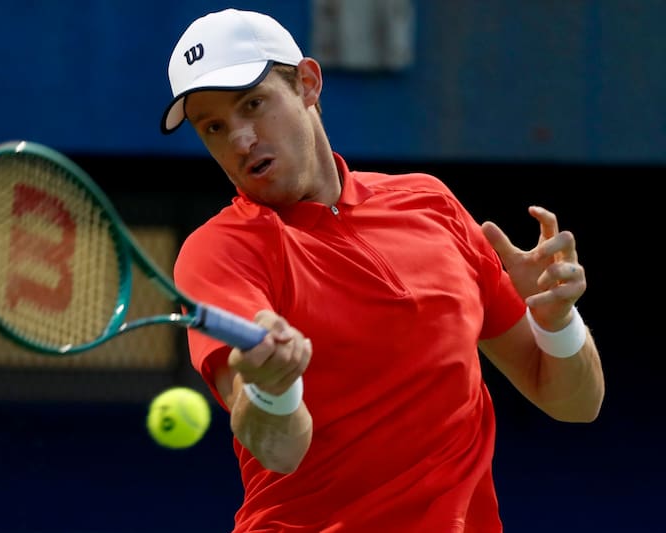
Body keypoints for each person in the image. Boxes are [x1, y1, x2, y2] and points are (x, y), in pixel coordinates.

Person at [160, 8, 605, 532]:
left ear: (307, 83)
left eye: (253, 105)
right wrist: (271, 389)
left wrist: (556, 321)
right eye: (213, 127)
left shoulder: (431, 204)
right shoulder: (219, 253)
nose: (239, 141)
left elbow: (575, 403)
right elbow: (279, 449)